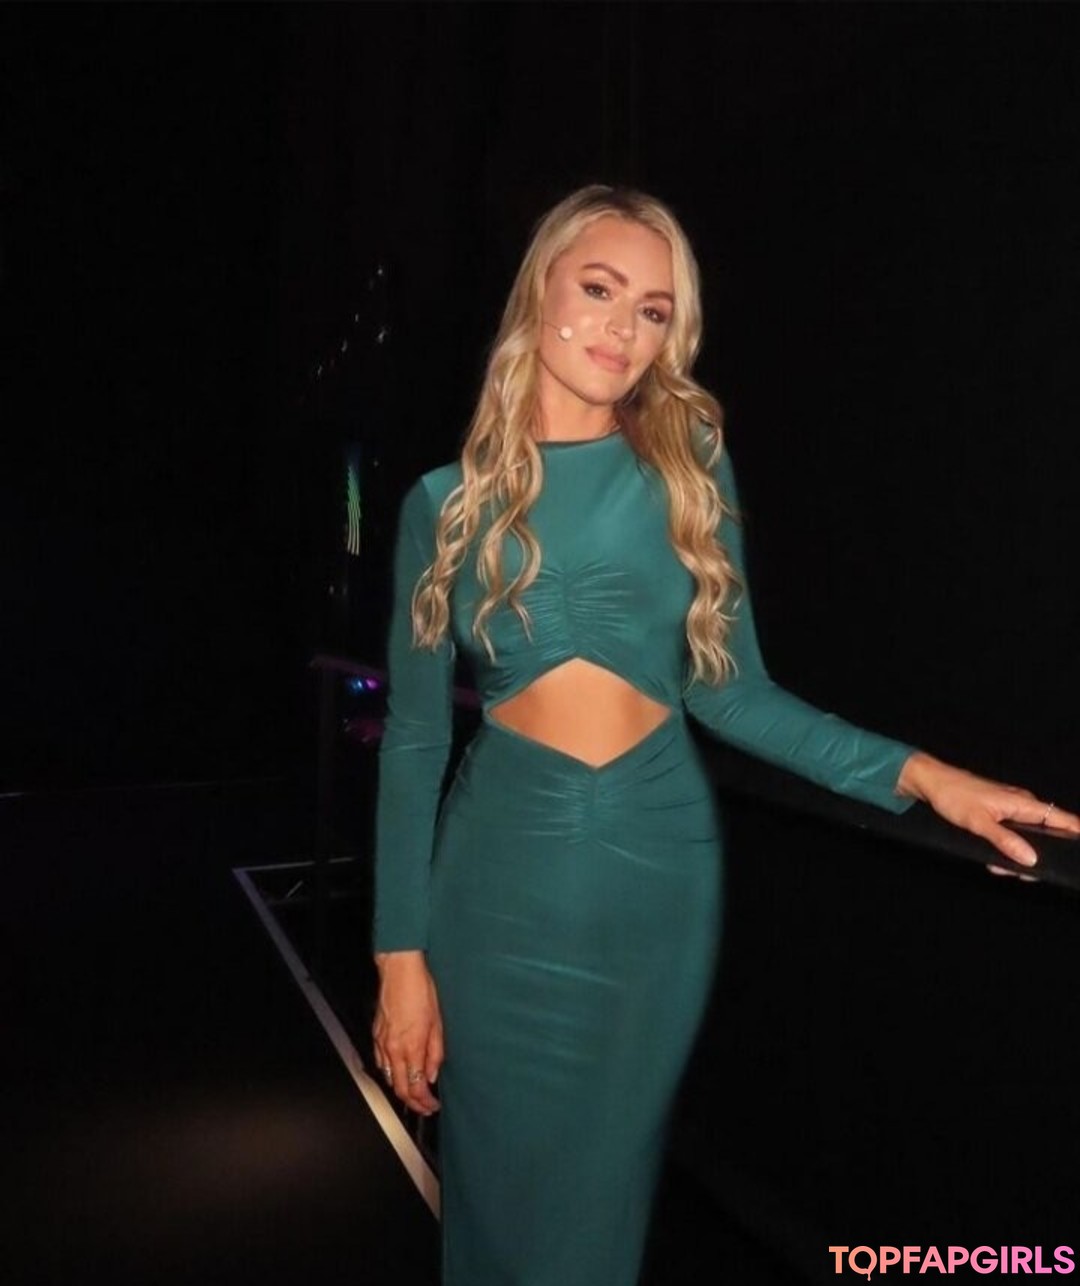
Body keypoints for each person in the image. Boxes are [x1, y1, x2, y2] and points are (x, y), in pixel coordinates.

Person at [370, 184, 1078, 1286]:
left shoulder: (686, 461)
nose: (622, 328)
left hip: (655, 882)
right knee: (497, 1200)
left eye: (653, 311)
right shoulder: (442, 503)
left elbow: (734, 693)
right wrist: (399, 958)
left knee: (596, 1211)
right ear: (540, 291)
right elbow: (415, 742)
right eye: (599, 289)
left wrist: (925, 775)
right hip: (495, 888)